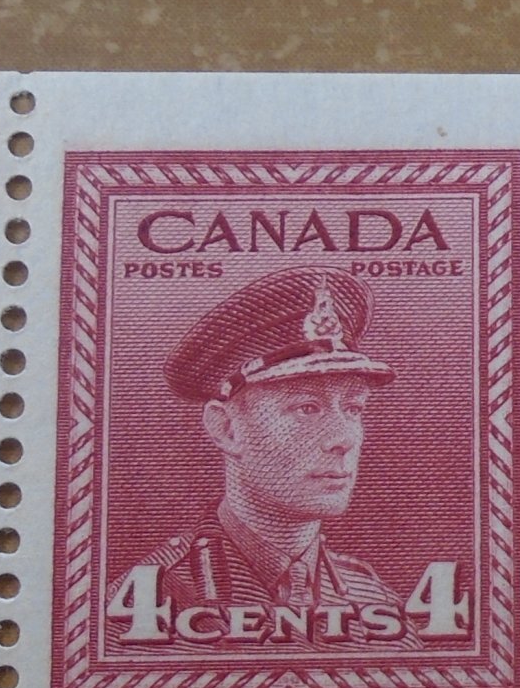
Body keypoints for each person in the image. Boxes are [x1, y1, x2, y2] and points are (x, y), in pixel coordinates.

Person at [116, 267, 414, 641]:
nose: (343, 439)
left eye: (354, 408)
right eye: (307, 408)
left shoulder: (373, 594)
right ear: (226, 428)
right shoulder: (146, 602)